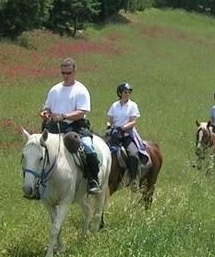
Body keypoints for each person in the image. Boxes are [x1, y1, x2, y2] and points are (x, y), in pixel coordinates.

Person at [40, 57, 101, 194]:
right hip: (54, 126)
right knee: (38, 148)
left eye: (69, 73)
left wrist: (63, 116)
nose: (66, 76)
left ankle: (93, 180)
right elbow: (47, 108)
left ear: (75, 71)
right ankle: (38, 182)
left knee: (88, 148)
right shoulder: (54, 90)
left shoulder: (80, 90)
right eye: (63, 73)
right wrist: (45, 113)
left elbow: (81, 112)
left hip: (76, 126)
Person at [106, 82, 151, 192]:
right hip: (114, 134)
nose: (127, 94)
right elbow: (109, 119)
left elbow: (133, 122)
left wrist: (122, 128)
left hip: (126, 135)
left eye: (129, 92)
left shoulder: (133, 105)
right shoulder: (114, 105)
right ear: (120, 93)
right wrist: (109, 126)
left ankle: (134, 180)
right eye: (125, 92)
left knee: (133, 153)